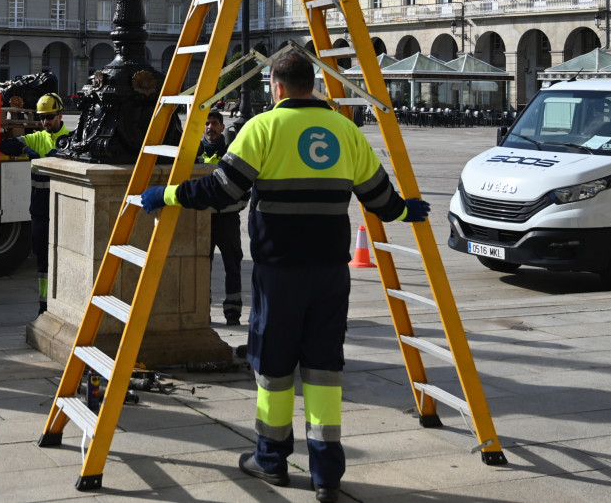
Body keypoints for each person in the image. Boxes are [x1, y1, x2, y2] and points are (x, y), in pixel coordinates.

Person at [142, 51, 430, 503]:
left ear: (276, 86)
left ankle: (271, 460)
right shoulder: (345, 130)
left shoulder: (262, 128)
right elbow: (379, 198)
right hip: (332, 274)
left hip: (280, 273)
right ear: (311, 83)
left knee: (274, 369)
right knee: (324, 368)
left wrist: (169, 194)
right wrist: (405, 210)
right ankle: (326, 474)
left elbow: (222, 190)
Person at [0, 93, 69, 315]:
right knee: (42, 258)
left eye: (49, 117)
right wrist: (24, 150)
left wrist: (56, 157)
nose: (46, 122)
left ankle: (64, 301)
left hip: (64, 206)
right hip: (40, 208)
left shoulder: (72, 137)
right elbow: (4, 146)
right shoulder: (37, 137)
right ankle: (44, 306)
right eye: (42, 118)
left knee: (65, 255)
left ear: (60, 115)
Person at [196, 109, 245, 326]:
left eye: (214, 123)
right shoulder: (194, 153)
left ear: (222, 127)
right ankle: (201, 311)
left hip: (228, 219)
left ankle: (233, 313)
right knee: (201, 265)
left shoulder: (232, 152)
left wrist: (235, 206)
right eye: (207, 123)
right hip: (202, 219)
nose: (210, 127)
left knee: (232, 266)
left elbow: (245, 186)